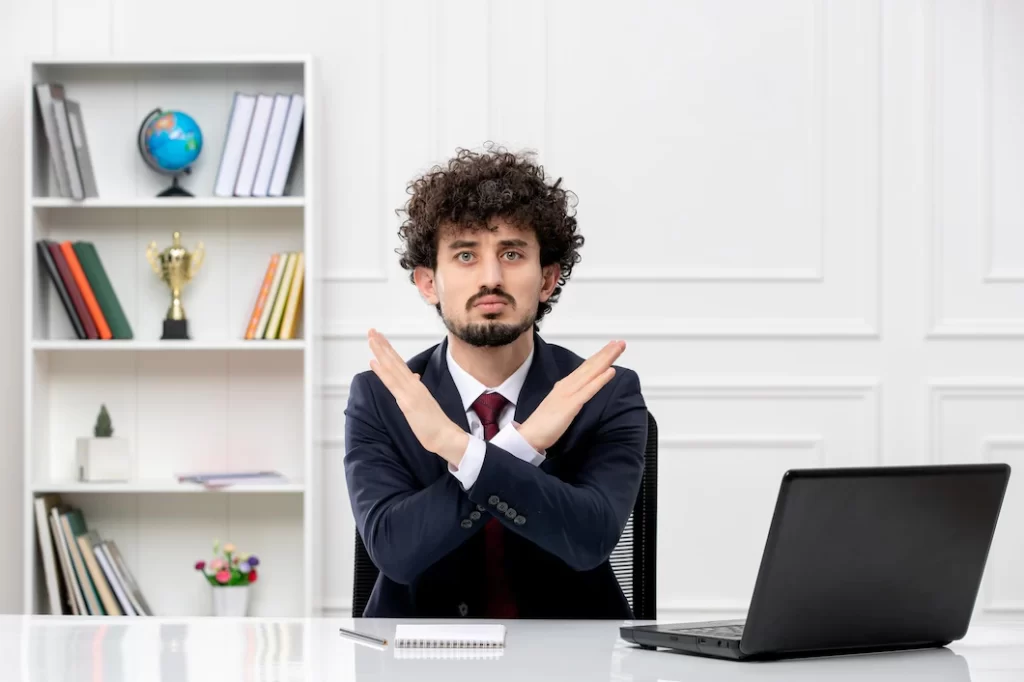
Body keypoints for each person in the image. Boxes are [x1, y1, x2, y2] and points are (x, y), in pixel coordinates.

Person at [343, 145, 648, 619]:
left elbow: (589, 541)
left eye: (511, 253)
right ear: (428, 283)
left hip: (570, 661)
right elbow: (396, 552)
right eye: (465, 255)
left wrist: (459, 448)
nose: (491, 277)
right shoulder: (382, 398)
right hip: (421, 661)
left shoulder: (604, 393)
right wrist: (523, 444)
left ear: (547, 279)